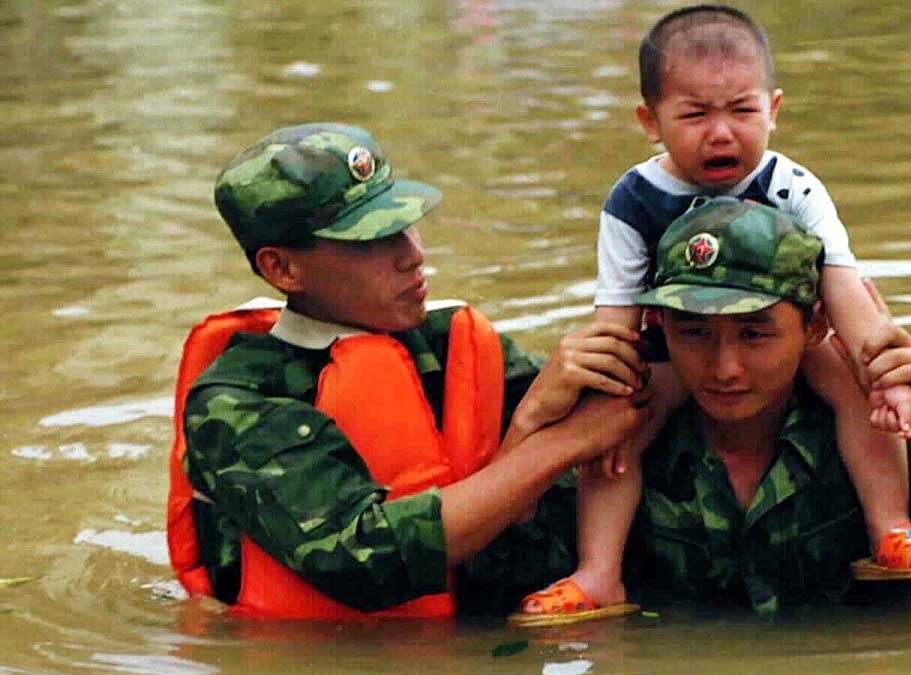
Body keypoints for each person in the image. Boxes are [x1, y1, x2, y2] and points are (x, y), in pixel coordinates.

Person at [515, 4, 911, 623]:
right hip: (677, 349)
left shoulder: (793, 187)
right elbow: (617, 318)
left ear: (774, 110)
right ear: (650, 120)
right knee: (615, 425)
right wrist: (607, 400)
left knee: (860, 387)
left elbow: (844, 290)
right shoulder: (632, 201)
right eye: (693, 115)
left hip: (786, 341)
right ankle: (599, 572)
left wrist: (885, 369)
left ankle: (891, 528)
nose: (720, 133)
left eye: (742, 111)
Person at [167, 123, 654, 619]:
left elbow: (607, 435)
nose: (414, 255)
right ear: (282, 270)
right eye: (370, 241)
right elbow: (365, 558)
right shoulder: (237, 401)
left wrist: (529, 420)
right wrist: (559, 444)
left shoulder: (451, 344)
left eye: (406, 224)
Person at [618, 198, 911, 614]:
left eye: (754, 334)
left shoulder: (876, 437)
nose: (725, 368)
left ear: (815, 326)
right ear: (661, 327)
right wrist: (548, 423)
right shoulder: (626, 449)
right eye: (695, 333)